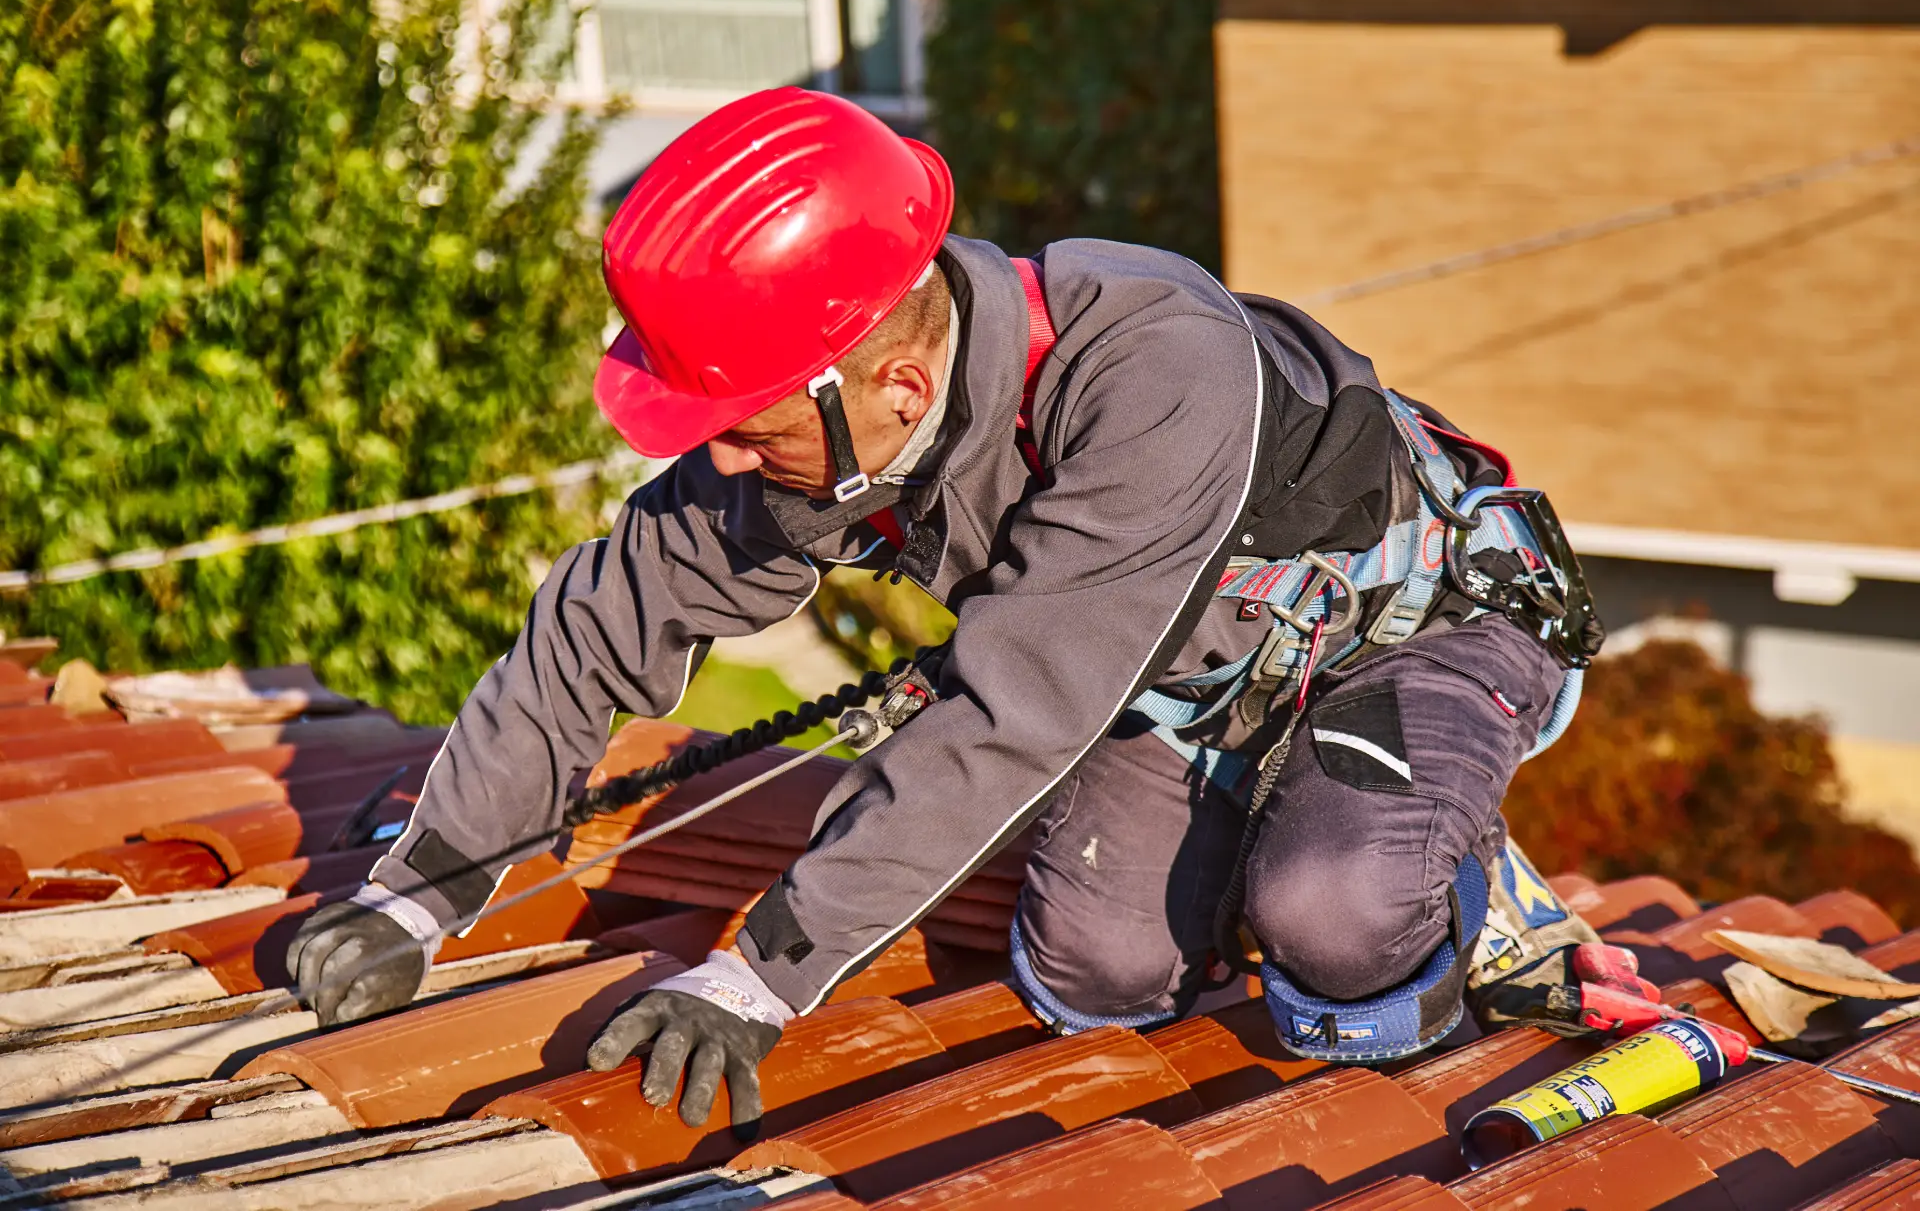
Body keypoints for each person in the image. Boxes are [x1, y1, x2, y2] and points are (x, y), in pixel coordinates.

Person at [287, 87, 1606, 1133]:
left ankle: (1452, 885)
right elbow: (601, 622)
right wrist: (424, 893)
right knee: (1097, 981)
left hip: (1417, 633)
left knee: (1333, 913)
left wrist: (766, 972)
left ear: (898, 388)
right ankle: (1289, 827)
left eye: (742, 433)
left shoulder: (1151, 364)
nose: (722, 464)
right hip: (1183, 684)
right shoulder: (825, 426)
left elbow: (1012, 713)